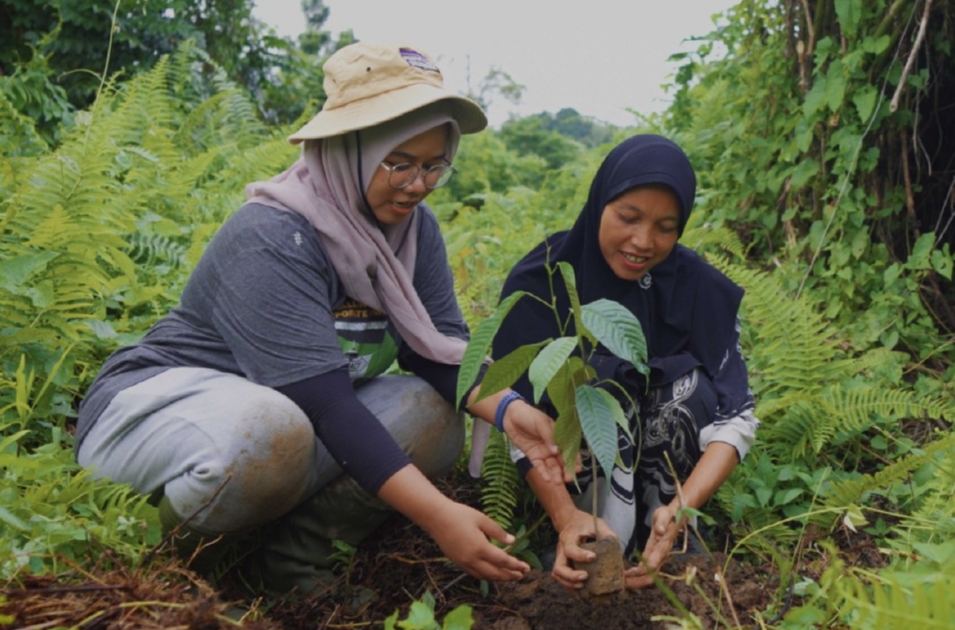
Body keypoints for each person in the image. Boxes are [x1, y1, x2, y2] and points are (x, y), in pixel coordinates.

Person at [74, 41, 567, 595]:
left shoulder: (412, 229)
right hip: (156, 414)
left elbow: (438, 350)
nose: (417, 185)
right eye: (399, 163)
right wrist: (439, 516)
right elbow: (326, 403)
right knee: (272, 431)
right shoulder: (273, 234)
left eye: (435, 166)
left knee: (432, 413)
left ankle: (290, 561)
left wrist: (507, 408)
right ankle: (175, 578)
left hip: (269, 424)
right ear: (348, 147)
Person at [490, 134, 759, 592]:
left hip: (667, 502)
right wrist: (564, 515)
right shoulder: (545, 281)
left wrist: (683, 510)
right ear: (600, 204)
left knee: (688, 388)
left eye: (666, 227)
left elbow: (737, 418)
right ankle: (586, 543)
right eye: (628, 218)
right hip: (571, 485)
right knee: (596, 389)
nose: (643, 242)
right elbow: (522, 419)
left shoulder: (696, 287)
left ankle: (669, 545)